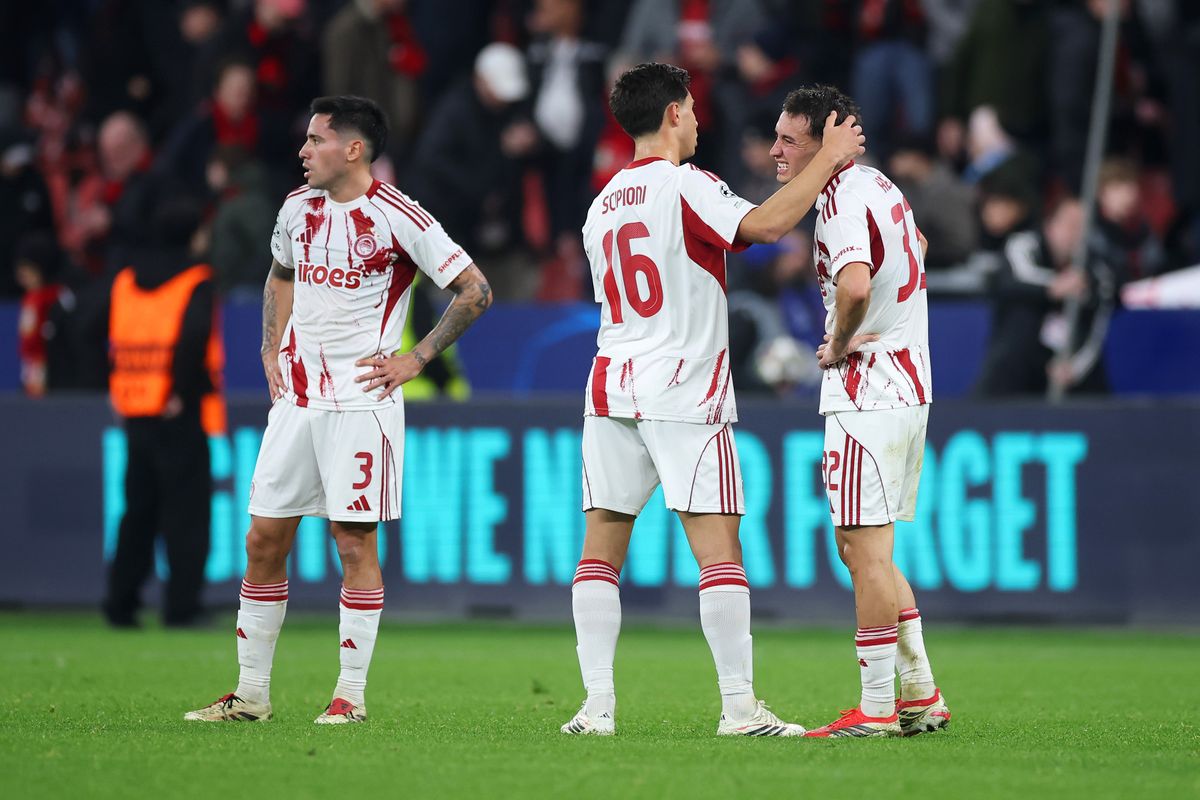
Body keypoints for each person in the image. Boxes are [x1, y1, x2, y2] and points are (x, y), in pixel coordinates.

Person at [561, 62, 863, 738]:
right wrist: (831, 161)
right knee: (719, 552)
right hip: (684, 388)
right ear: (671, 114)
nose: (697, 120)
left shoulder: (601, 204)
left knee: (599, 550)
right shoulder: (686, 184)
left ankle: (597, 707)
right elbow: (762, 228)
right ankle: (738, 708)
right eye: (691, 109)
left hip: (612, 384)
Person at [185, 95, 492, 724]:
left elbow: (475, 289)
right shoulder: (296, 210)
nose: (302, 151)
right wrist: (270, 347)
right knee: (263, 539)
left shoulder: (398, 216)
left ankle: (349, 697)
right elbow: (279, 276)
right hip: (296, 401)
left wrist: (416, 360)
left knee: (352, 543)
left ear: (353, 149)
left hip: (362, 404)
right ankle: (250, 695)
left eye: (315, 139)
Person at [768, 85, 950, 738]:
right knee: (863, 547)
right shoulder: (879, 187)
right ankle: (922, 694)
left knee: (866, 553)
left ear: (826, 140)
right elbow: (919, 246)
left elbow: (852, 283)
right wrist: (891, 323)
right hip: (907, 387)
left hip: (869, 393)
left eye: (790, 138)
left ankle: (875, 708)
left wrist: (841, 340)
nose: (776, 150)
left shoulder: (842, 200)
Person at [104, 192, 226, 629]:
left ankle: (121, 602)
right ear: (192, 233)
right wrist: (177, 389)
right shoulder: (196, 279)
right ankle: (182, 606)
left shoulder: (126, 279)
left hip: (135, 406)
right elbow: (193, 337)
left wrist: (114, 380)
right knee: (186, 514)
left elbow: (94, 329)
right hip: (179, 409)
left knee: (138, 511)